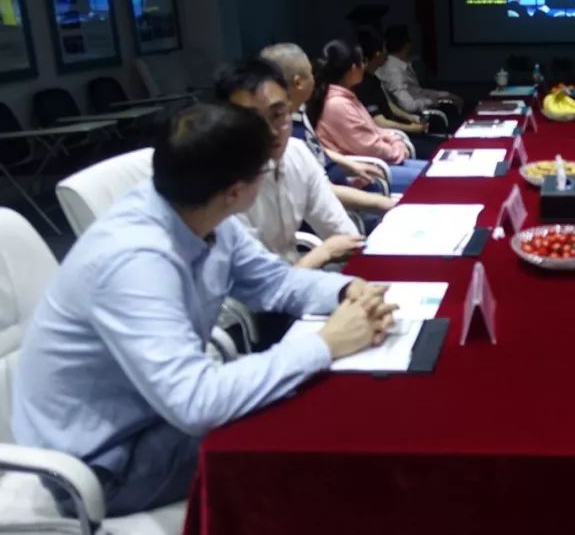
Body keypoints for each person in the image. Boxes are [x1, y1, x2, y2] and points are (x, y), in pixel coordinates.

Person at [12, 103, 397, 517]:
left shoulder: (202, 211)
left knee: (315, 403)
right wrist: (326, 344)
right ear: (236, 191)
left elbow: (275, 282)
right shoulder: (134, 261)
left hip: (154, 412)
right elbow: (195, 402)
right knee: (308, 435)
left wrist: (347, 291)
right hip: (106, 461)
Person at [215, 59, 375, 269]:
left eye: (277, 115)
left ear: (290, 106)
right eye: (252, 120)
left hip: (298, 273)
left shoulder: (296, 153)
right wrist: (325, 253)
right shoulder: (220, 184)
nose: (271, 131)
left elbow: (340, 230)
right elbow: (257, 280)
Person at [259, 42, 388, 191]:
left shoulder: (299, 112)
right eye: (311, 73)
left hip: (343, 181)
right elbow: (320, 190)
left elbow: (316, 150)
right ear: (298, 83)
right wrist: (380, 202)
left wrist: (352, 165)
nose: (315, 78)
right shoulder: (285, 133)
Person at [310, 39, 428, 193]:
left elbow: (375, 130)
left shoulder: (346, 97)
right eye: (362, 62)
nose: (364, 66)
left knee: (434, 169)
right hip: (364, 174)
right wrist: (397, 150)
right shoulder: (337, 104)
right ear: (353, 68)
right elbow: (369, 147)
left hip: (380, 162)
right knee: (430, 179)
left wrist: (396, 141)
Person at [352, 30, 442, 158]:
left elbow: (387, 104)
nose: (387, 53)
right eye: (384, 49)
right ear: (377, 54)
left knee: (441, 143)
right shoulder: (363, 85)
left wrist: (410, 117)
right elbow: (380, 122)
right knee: (438, 150)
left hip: (397, 132)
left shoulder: (373, 78)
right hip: (389, 138)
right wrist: (412, 128)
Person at [376, 24, 464, 115]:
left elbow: (417, 92)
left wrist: (445, 95)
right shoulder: (394, 71)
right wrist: (433, 101)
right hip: (411, 118)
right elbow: (409, 106)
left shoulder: (400, 66)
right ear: (407, 45)